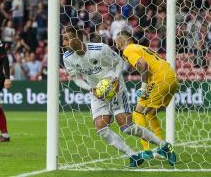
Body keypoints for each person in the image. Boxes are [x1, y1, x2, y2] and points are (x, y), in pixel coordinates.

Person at [62, 27, 177, 167]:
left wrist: (115, 79)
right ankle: (133, 156)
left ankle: (164, 146)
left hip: (114, 85)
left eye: (67, 39)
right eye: (63, 39)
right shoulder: (67, 58)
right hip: (96, 91)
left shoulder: (100, 49)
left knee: (127, 127)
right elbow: (75, 78)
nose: (63, 42)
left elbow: (119, 62)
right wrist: (92, 89)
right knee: (101, 128)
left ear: (77, 38)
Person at [114, 30, 179, 154]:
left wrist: (144, 85)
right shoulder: (142, 47)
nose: (115, 42)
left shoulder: (128, 50)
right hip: (172, 78)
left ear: (122, 40)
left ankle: (146, 150)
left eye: (116, 40)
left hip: (159, 79)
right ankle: (163, 148)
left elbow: (143, 65)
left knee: (138, 112)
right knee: (150, 113)